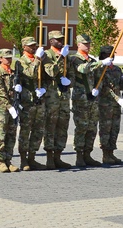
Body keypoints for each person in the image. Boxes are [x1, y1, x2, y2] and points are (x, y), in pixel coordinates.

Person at [68, 34, 100, 167]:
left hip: (92, 98)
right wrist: (100, 63)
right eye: (85, 43)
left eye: (89, 43)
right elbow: (83, 69)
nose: (87, 45)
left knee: (92, 127)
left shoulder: (91, 59)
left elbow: (97, 76)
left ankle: (88, 153)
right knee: (82, 127)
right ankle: (79, 155)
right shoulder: (75, 59)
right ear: (78, 44)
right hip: (80, 98)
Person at [43, 31, 73, 169]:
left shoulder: (67, 56)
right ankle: (49, 158)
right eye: (58, 39)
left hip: (64, 97)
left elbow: (72, 74)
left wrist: (69, 81)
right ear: (51, 41)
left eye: (62, 39)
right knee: (51, 126)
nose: (61, 41)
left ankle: (58, 156)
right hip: (52, 97)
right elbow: (51, 72)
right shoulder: (47, 55)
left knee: (62, 127)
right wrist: (61, 57)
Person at [16, 38, 47, 171]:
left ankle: (32, 158)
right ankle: (23, 160)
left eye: (35, 45)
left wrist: (44, 88)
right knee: (25, 131)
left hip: (39, 100)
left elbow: (45, 76)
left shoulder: (39, 58)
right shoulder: (20, 62)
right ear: (24, 47)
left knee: (38, 131)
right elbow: (30, 73)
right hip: (27, 101)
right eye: (31, 46)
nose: (34, 47)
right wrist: (38, 60)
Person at [0, 49, 21, 173]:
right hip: (0, 110)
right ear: (0, 59)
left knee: (11, 135)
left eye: (10, 57)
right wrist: (9, 107)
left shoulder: (13, 73)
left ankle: (9, 160)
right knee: (0, 135)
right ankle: (1, 161)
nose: (9, 60)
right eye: (6, 58)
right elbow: (0, 93)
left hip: (13, 108)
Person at [96, 44, 123, 165]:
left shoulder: (117, 69)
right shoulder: (100, 69)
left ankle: (111, 152)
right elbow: (102, 87)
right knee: (105, 129)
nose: (111, 56)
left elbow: (120, 86)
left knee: (115, 128)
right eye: (108, 54)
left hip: (116, 104)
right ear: (103, 55)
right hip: (105, 104)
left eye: (112, 54)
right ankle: (105, 154)